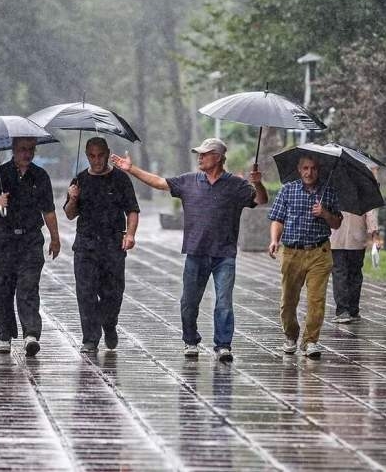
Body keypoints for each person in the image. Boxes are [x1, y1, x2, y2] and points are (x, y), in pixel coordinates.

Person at [110, 137, 268, 362]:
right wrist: (131, 169)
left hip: (224, 254)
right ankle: (190, 340)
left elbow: (260, 199)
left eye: (205, 154)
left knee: (224, 302)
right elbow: (159, 182)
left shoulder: (236, 185)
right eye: (199, 154)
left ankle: (223, 345)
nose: (200, 157)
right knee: (189, 302)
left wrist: (258, 183)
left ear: (219, 157)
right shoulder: (189, 181)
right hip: (196, 252)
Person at [0, 136, 61, 356]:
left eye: (31, 149)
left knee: (28, 285)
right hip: (5, 238)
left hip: (31, 238)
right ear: (13, 150)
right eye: (23, 149)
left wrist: (55, 237)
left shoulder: (40, 176)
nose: (27, 153)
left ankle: (31, 333)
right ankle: (5, 334)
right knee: (4, 286)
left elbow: (49, 210)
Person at [64, 137, 140, 353]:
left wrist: (131, 234)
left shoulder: (120, 179)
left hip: (112, 245)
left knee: (113, 293)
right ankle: (90, 338)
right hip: (86, 245)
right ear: (87, 155)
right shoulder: (79, 180)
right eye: (92, 156)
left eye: (100, 155)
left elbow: (132, 210)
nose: (97, 160)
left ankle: (109, 324)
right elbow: (69, 214)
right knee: (85, 292)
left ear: (107, 153)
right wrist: (72, 199)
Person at [268, 154, 342, 359]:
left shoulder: (328, 192)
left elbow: (336, 223)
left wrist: (325, 213)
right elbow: (277, 218)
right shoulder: (288, 190)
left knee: (316, 300)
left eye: (313, 168)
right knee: (288, 300)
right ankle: (291, 336)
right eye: (305, 168)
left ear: (318, 170)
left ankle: (311, 341)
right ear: (299, 170)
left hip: (319, 252)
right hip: (292, 252)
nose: (309, 173)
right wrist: (275, 240)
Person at [330, 209, 380, 323]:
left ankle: (342, 311)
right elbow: (370, 214)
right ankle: (353, 311)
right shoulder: (363, 193)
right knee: (355, 274)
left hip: (336, 240)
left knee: (339, 275)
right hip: (357, 239)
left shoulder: (332, 192)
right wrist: (375, 236)